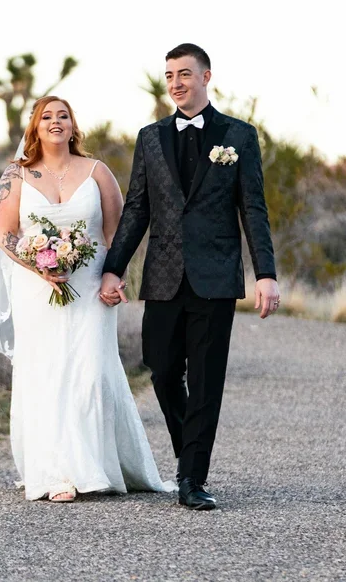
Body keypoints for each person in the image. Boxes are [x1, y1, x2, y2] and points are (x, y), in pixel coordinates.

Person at [100, 43, 280, 510]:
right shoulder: (150, 137)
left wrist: (265, 273)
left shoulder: (238, 136)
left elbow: (253, 209)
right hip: (163, 275)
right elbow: (137, 208)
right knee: (161, 370)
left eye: (184, 73)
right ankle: (190, 454)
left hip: (215, 277)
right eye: (169, 76)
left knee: (205, 379)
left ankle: (192, 478)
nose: (176, 83)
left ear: (206, 76)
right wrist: (114, 268)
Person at [0, 95, 173, 502]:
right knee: (45, 374)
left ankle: (94, 466)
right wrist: (39, 265)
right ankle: (55, 474)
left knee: (90, 372)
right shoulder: (16, 175)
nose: (56, 122)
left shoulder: (97, 172)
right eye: (47, 117)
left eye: (63, 116)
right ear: (35, 127)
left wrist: (115, 277)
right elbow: (4, 232)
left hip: (90, 285)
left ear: (73, 125)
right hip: (37, 288)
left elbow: (117, 233)